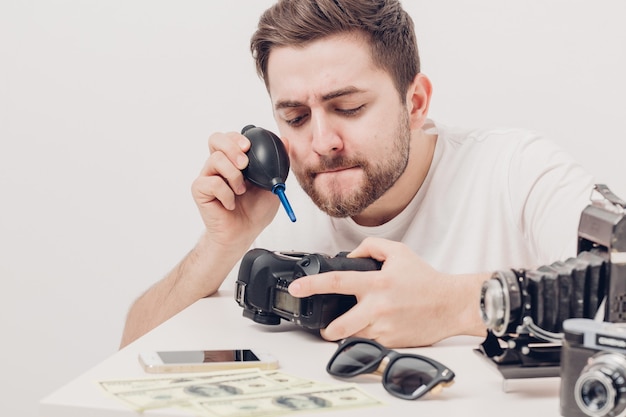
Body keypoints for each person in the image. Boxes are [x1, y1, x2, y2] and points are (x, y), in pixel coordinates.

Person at [119, 0, 594, 349]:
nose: (322, 142)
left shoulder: (517, 171)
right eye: (296, 117)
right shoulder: (279, 206)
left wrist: (454, 303)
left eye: (348, 107)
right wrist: (223, 243)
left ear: (416, 103)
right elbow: (131, 349)